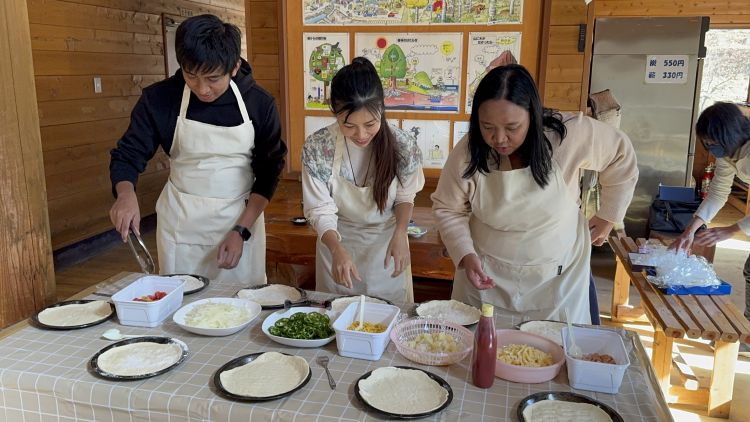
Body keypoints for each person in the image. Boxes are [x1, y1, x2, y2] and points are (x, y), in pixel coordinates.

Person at [431, 64, 638, 323]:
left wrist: (609, 215)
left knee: (556, 352)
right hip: (485, 276)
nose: (499, 138)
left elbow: (622, 155)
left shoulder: (568, 135)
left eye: (512, 127)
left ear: (533, 114)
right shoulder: (468, 151)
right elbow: (448, 208)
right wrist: (464, 253)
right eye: (487, 127)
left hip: (556, 280)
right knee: (479, 351)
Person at [109, 14, 287, 284]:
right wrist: (125, 193)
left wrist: (241, 230)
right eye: (191, 76)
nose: (202, 89)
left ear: (235, 67)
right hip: (182, 224)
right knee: (180, 301)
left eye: (213, 78)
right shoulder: (161, 99)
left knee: (241, 303)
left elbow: (268, 171)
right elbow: (129, 153)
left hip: (239, 218)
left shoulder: (258, 103)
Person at [302, 57, 425, 303]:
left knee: (387, 323)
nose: (361, 135)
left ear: (382, 108)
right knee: (335, 320)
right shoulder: (318, 147)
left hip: (387, 245)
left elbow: (404, 196)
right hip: (337, 242)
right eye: (349, 126)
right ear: (334, 112)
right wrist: (336, 250)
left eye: (370, 124)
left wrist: (401, 233)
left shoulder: (402, 145)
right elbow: (320, 210)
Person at [669, 102, 750, 328]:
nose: (710, 148)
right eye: (707, 143)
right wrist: (690, 231)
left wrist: (732, 230)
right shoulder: (728, 153)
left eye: (712, 143)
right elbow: (718, 192)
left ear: (729, 135)